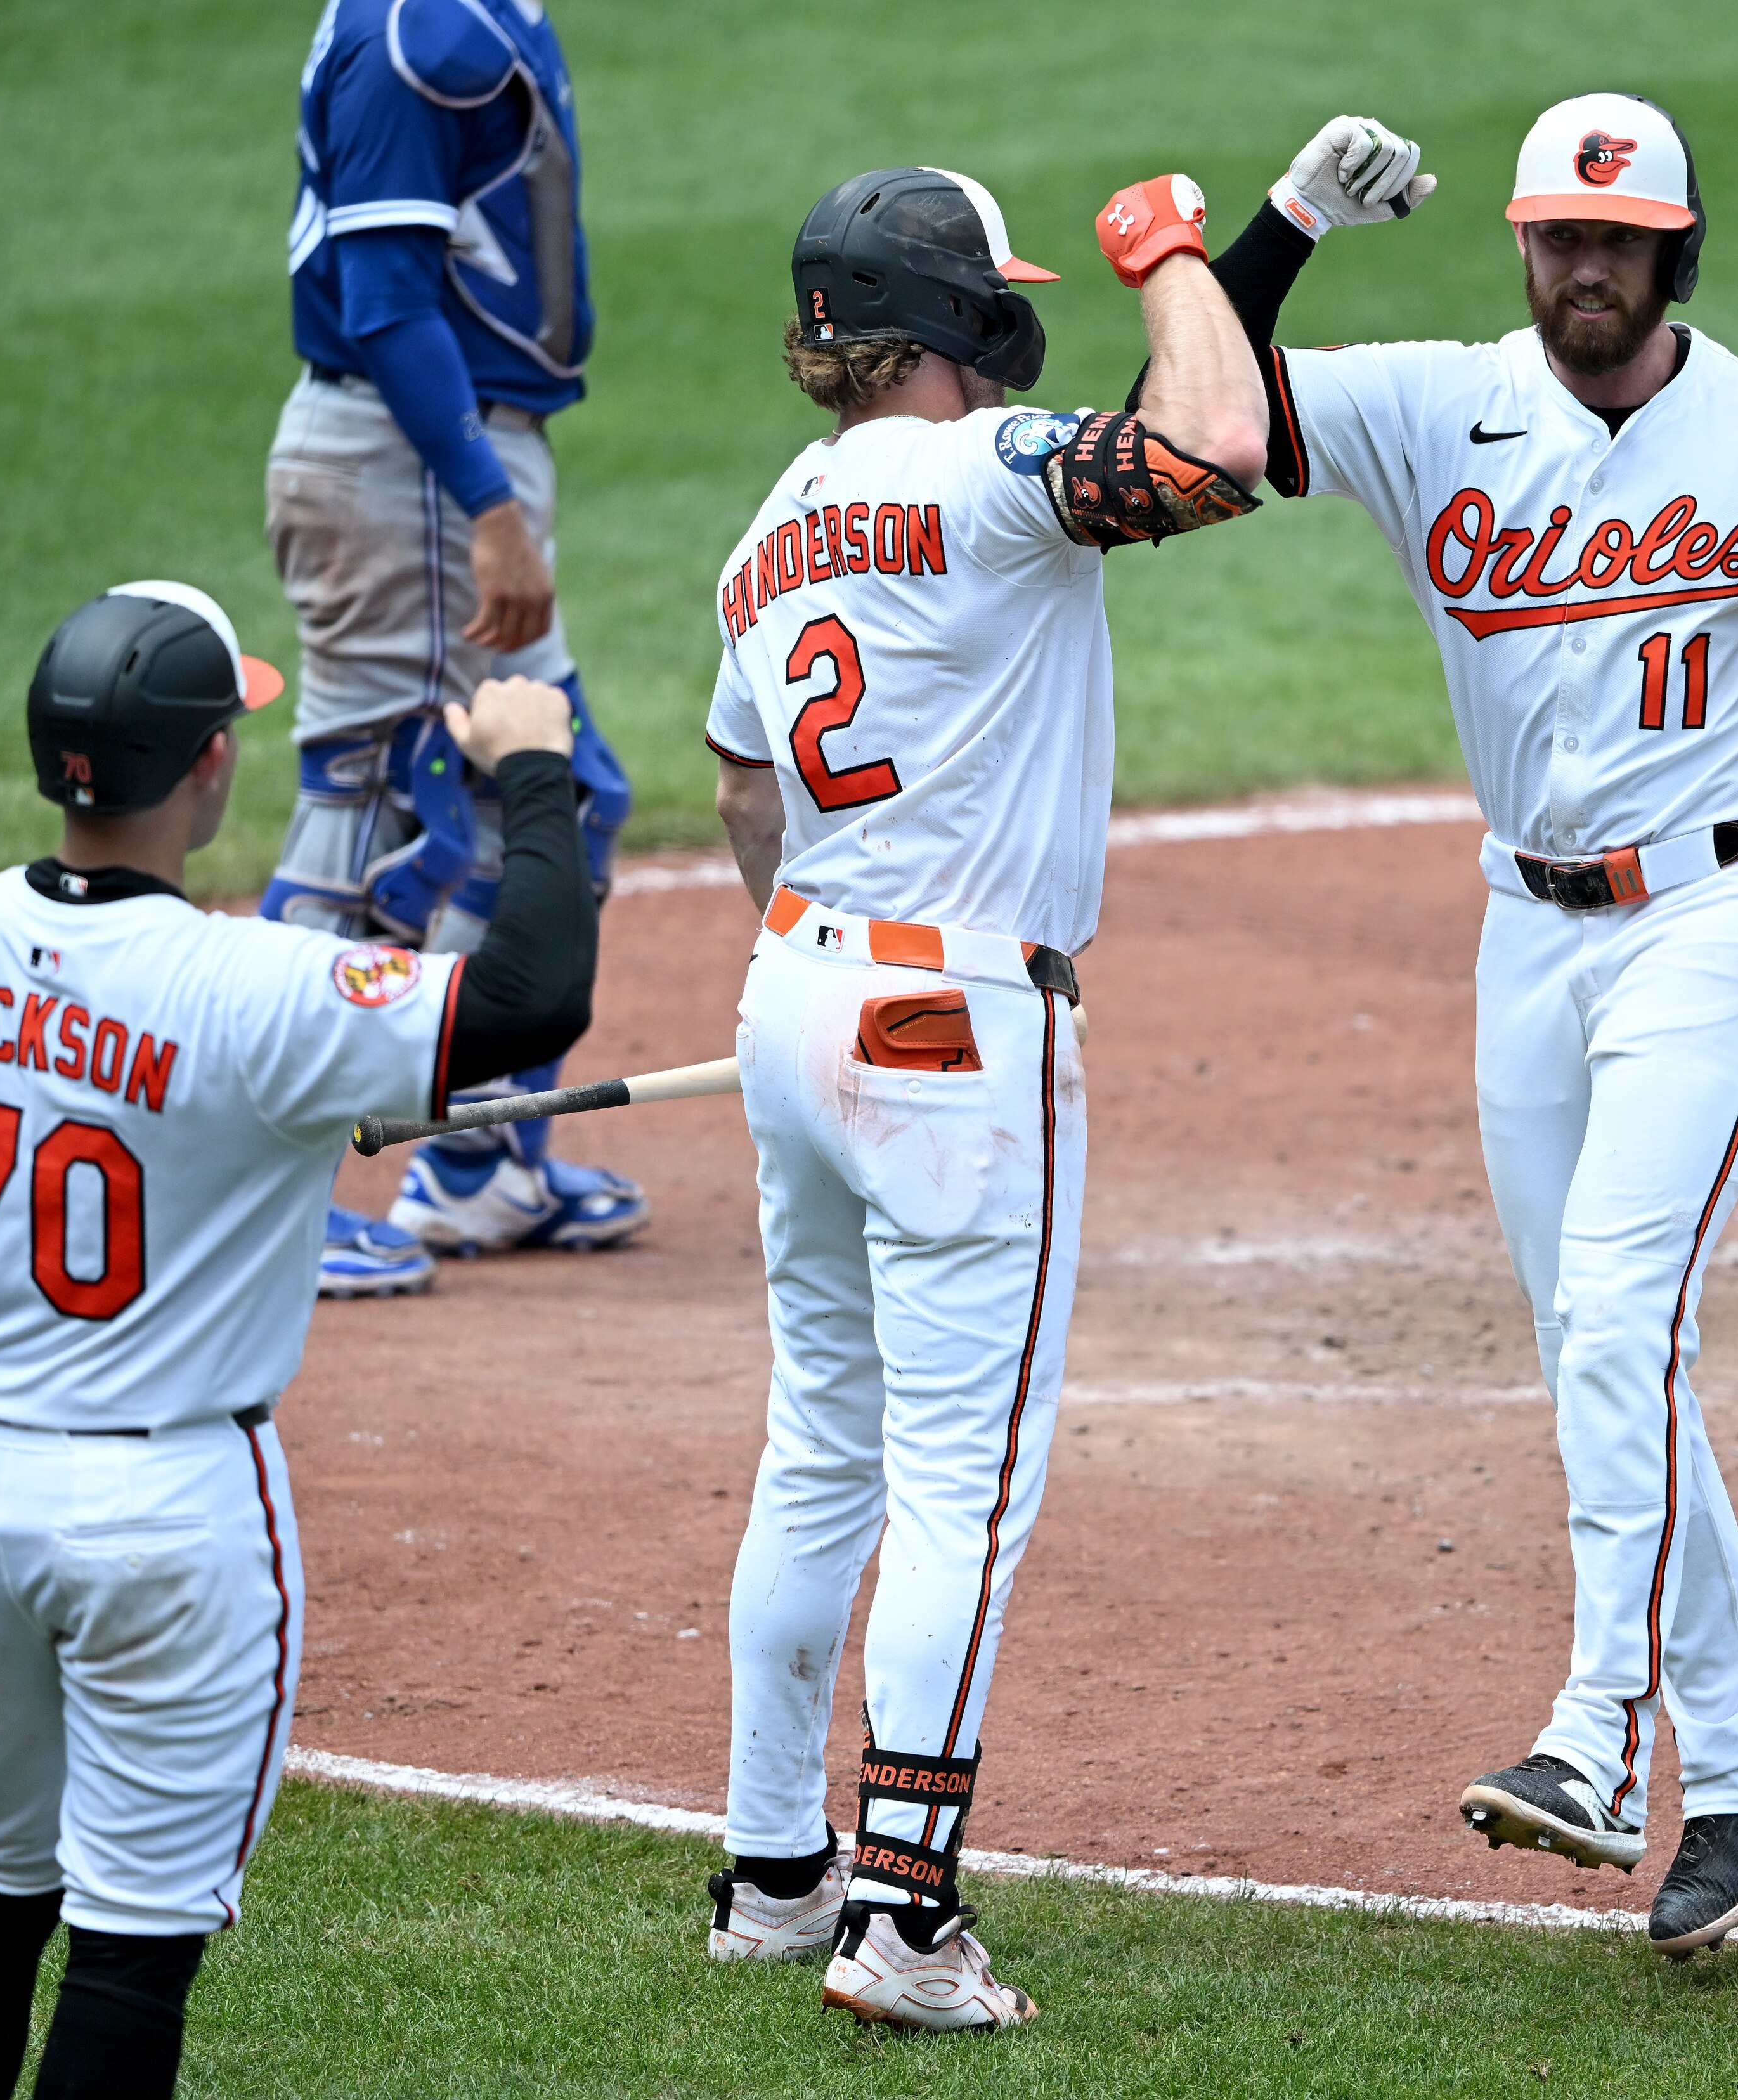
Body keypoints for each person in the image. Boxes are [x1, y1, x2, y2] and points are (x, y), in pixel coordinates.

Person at [1193, 96, 1738, 1954]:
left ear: (1674, 254)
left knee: (1619, 1309)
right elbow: (1205, 418)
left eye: (1617, 242)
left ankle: (1601, 1738)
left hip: (1731, 913)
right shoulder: (1437, 404)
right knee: (1601, 1345)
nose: (1582, 267)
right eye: (1558, 235)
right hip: (1528, 932)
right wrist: (1286, 225)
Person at [693, 149, 1388, 2028]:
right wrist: (1170, 241)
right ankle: (904, 1923)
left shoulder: (773, 521)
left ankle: (773, 1874)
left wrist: (1287, 240)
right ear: (956, 322)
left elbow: (749, 794)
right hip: (957, 1036)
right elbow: (1210, 451)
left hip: (797, 997)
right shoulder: (993, 481)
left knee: (823, 1444)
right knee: (962, 1491)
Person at [0, 583, 596, 2096]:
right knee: (132, 1947)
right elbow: (536, 992)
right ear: (213, 764)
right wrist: (533, 765)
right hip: (169, 1522)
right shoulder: (256, 991)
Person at [266, 0, 643, 1297]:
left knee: (562, 800)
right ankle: (264, 1204)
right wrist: (487, 504)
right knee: (370, 826)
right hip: (416, 471)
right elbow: (381, 304)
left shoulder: (475, 19)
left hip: (438, 464)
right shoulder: (420, 41)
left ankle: (482, 1170)